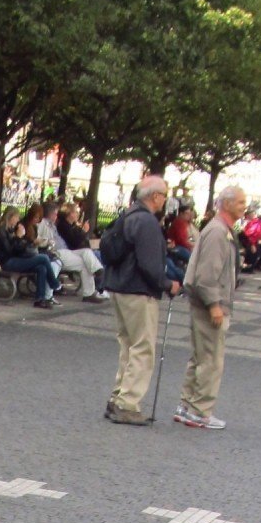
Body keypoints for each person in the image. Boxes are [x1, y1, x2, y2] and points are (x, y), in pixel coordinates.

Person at [101, 176, 173, 425]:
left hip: (119, 286)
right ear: (155, 196)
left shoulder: (128, 215)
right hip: (138, 290)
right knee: (142, 347)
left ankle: (118, 396)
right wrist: (167, 284)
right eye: (164, 194)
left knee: (128, 345)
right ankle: (127, 403)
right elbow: (150, 264)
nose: (165, 199)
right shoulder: (147, 222)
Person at [175, 185, 245, 431]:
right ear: (226, 204)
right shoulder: (218, 232)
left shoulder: (217, 229)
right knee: (211, 360)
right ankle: (200, 410)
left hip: (202, 303)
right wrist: (215, 305)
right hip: (209, 305)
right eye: (240, 202)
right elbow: (207, 275)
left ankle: (187, 405)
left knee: (200, 357)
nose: (244, 206)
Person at [0, 206, 60, 307]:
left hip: (15, 259)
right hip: (7, 262)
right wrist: (18, 237)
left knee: (42, 267)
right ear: (11, 217)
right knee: (43, 258)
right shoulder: (2, 231)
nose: (18, 220)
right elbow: (9, 250)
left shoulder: (11, 229)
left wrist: (23, 240)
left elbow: (18, 248)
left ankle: (40, 299)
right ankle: (54, 284)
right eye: (17, 217)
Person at [39, 204, 105, 301]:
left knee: (87, 253)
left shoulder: (53, 225)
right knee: (86, 262)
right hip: (58, 252)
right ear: (51, 214)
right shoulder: (46, 224)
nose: (56, 217)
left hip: (67, 251)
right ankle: (90, 291)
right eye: (55, 214)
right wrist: (83, 231)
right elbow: (74, 241)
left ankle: (98, 271)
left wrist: (81, 230)